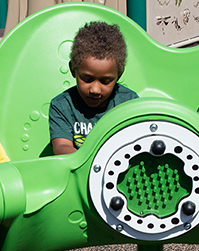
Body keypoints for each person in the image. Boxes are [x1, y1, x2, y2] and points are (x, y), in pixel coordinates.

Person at [49, 20, 138, 156]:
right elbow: (61, 147)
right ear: (73, 69)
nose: (95, 89)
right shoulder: (62, 106)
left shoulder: (129, 103)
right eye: (87, 79)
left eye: (105, 81)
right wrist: (95, 161)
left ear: (119, 75)